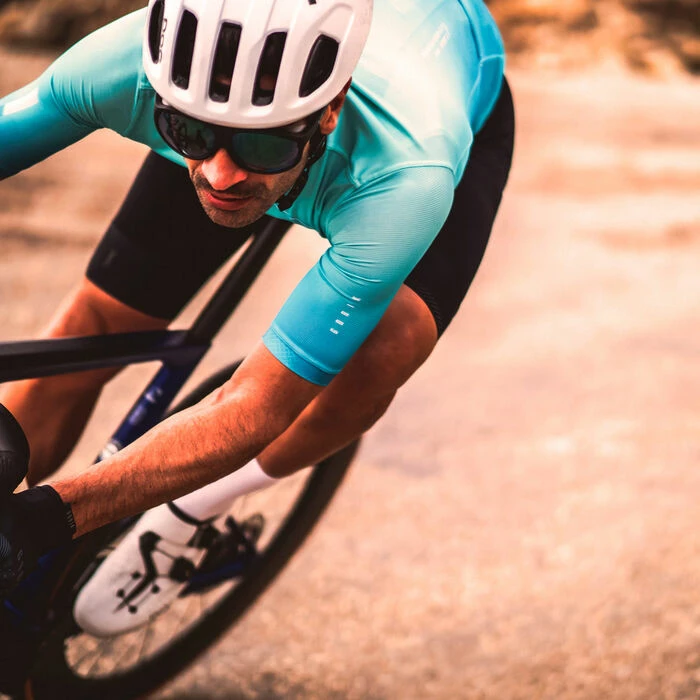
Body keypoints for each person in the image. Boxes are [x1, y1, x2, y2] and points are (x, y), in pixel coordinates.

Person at [0, 0, 514, 636]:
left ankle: (191, 511)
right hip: (271, 126)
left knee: (377, 354)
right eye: (188, 133)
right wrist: (231, 140)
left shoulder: (408, 171)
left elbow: (257, 406)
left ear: (330, 107)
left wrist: (42, 521)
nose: (220, 173)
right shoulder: (130, 68)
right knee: (98, 327)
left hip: (424, 116)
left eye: (261, 141)